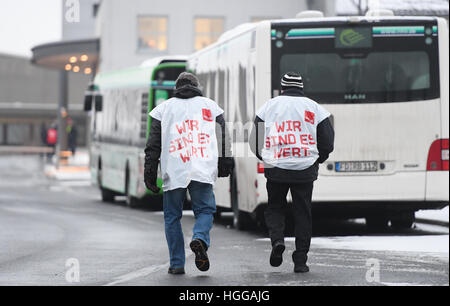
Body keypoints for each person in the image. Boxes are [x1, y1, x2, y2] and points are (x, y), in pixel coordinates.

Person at [144, 72, 233, 275]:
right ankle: (199, 238)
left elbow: (153, 145)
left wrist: (149, 173)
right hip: (202, 167)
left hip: (174, 169)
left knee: (172, 217)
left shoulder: (163, 110)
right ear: (196, 86)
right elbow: (223, 138)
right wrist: (225, 163)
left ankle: (176, 264)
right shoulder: (211, 107)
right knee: (205, 211)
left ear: (177, 87)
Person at [250, 72, 334, 273]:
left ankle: (277, 241)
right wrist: (317, 159)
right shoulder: (315, 108)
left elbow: (254, 142)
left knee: (275, 208)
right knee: (303, 213)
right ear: (302, 88)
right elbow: (328, 141)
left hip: (276, 167)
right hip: (305, 168)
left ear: (282, 88)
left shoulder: (269, 106)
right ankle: (301, 260)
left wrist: (266, 157)